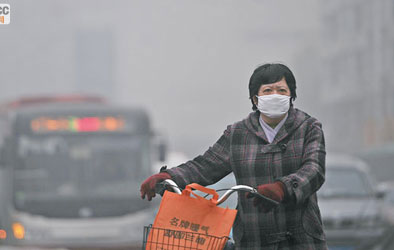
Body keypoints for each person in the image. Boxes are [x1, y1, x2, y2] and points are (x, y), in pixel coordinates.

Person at [140, 63, 327, 250]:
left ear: (291, 96)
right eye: (268, 90)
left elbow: (314, 170)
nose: (275, 95)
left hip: (301, 239)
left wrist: (282, 188)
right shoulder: (238, 133)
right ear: (255, 99)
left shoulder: (308, 127)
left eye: (281, 90)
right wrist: (169, 177)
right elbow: (206, 165)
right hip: (254, 239)